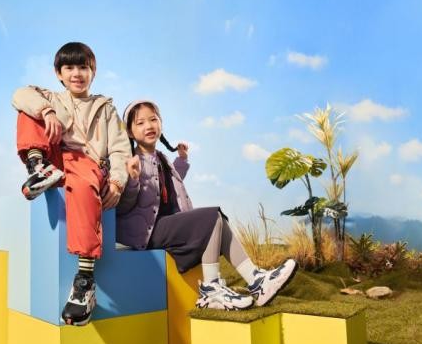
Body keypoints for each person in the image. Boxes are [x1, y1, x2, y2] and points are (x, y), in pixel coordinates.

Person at [116, 100, 298, 310]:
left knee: (219, 220)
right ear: (129, 132)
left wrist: (181, 160)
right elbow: (125, 206)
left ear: (161, 123)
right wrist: (133, 179)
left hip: (167, 225)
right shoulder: (131, 161)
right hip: (148, 233)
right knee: (211, 218)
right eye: (140, 123)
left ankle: (256, 280)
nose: (149, 126)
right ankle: (211, 289)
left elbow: (168, 185)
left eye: (153, 119)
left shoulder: (161, 158)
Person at [11, 42, 131, 326]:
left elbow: (120, 148)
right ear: (59, 73)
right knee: (29, 110)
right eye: (69, 68)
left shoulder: (106, 109)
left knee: (83, 185)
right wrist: (47, 111)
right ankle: (37, 167)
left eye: (83, 67)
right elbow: (19, 95)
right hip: (54, 160)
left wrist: (117, 181)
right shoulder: (51, 97)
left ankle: (85, 280)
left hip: (86, 163)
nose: (77, 73)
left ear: (93, 71)